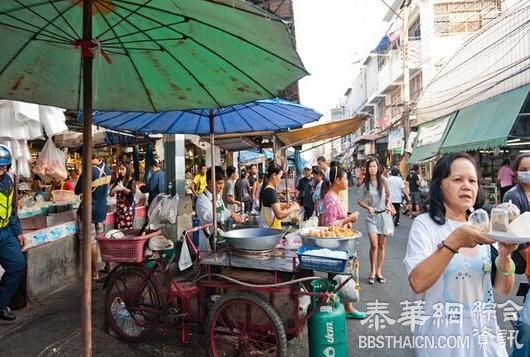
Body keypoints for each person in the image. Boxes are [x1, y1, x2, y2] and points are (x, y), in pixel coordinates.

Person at [404, 152, 517, 357]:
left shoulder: (483, 226)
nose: (467, 186)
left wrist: (504, 256)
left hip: (486, 342)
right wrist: (454, 242)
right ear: (439, 185)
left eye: (472, 181)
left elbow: (501, 289)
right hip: (442, 344)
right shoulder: (425, 226)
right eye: (458, 179)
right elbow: (417, 282)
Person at [320, 165, 363, 319]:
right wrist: (349, 219)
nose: (347, 181)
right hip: (335, 245)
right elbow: (330, 226)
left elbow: (338, 220)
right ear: (337, 180)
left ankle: (346, 308)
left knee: (343, 276)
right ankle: (335, 311)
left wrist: (347, 222)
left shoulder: (336, 195)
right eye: (345, 178)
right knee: (337, 277)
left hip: (342, 243)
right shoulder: (330, 197)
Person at [504, 153, 530, 357]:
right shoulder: (513, 195)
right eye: (524, 169)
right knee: (528, 325)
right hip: (526, 253)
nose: (528, 173)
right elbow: (514, 231)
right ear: (516, 172)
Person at [75, 153, 111, 281]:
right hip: (101, 210)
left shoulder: (89, 171)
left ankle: (94, 272)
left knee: (91, 242)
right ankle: (108, 265)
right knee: (102, 238)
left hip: (89, 211)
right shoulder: (107, 168)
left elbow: (77, 190)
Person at [0, 145, 26, 321]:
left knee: (18, 265)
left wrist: (18, 232)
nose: (0, 170)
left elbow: (12, 210)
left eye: (3, 167)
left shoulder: (8, 181)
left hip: (5, 231)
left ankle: (1, 305)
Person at [357, 157, 391, 285]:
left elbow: (389, 194)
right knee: (374, 244)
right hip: (371, 217)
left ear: (378, 168)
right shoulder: (364, 184)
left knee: (382, 245)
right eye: (370, 166)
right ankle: (372, 271)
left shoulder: (384, 180)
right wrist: (368, 207)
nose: (372, 169)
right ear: (367, 168)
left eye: (374, 166)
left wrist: (389, 204)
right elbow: (359, 200)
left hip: (384, 216)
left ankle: (379, 271)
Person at [196, 166, 243, 250]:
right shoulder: (202, 199)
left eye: (222, 183)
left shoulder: (217, 196)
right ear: (210, 182)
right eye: (219, 183)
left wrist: (234, 216)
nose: (221, 187)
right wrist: (230, 214)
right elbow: (209, 217)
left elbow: (223, 211)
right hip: (209, 245)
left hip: (220, 239)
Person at [259, 163, 299, 229]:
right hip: (270, 231)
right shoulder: (270, 191)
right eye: (280, 177)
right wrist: (294, 207)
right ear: (274, 175)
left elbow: (270, 205)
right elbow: (279, 215)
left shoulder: (267, 188)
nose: (280, 180)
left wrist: (284, 205)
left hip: (267, 230)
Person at [110, 163, 135, 230]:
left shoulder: (132, 181)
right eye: (120, 169)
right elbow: (111, 194)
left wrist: (123, 188)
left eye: (122, 169)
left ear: (127, 170)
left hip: (128, 210)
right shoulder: (118, 180)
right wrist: (113, 190)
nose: (120, 171)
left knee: (127, 229)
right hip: (119, 210)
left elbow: (131, 193)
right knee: (119, 229)